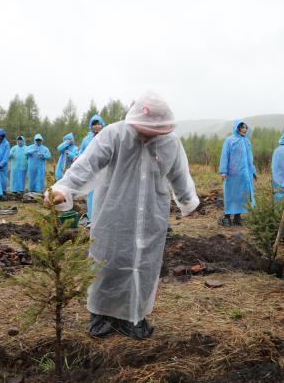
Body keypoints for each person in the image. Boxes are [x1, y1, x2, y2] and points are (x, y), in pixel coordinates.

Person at [46, 91, 200, 339]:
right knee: (108, 260)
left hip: (152, 214)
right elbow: (87, 164)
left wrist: (187, 202)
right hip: (113, 212)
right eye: (143, 129)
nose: (147, 134)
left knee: (143, 265)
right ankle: (101, 315)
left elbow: (179, 174)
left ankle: (134, 316)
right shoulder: (114, 134)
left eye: (154, 130)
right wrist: (64, 188)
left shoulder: (170, 142)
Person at [218, 120, 256, 226]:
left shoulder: (247, 141)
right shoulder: (229, 140)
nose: (245, 130)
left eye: (246, 128)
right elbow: (225, 156)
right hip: (232, 174)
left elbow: (250, 158)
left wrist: (253, 171)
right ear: (237, 128)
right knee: (230, 194)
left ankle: (237, 217)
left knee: (242, 195)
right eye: (242, 127)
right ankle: (226, 217)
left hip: (244, 175)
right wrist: (223, 171)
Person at [79, 115, 107, 223]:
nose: (96, 126)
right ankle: (91, 217)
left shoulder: (106, 137)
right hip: (90, 170)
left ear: (102, 124)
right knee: (91, 193)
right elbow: (82, 152)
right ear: (91, 126)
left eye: (98, 124)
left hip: (104, 169)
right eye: (94, 124)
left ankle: (102, 218)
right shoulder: (87, 140)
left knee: (103, 192)